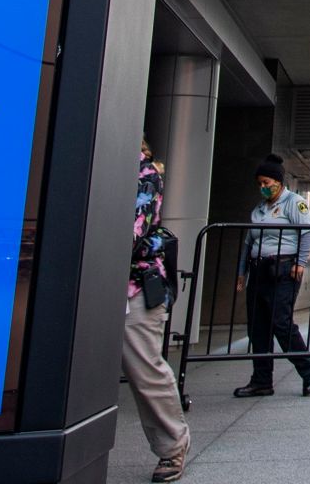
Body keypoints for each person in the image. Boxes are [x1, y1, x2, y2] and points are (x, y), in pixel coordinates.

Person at [124, 137, 189, 482]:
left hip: (134, 285)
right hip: (92, 282)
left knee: (144, 370)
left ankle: (172, 447)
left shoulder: (144, 173)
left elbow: (132, 233)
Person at [233, 154, 310, 397]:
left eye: (266, 183)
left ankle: (308, 369)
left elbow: (307, 232)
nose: (262, 187)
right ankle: (262, 380)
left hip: (283, 269)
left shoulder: (295, 203)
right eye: (259, 183)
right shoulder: (259, 209)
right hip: (259, 270)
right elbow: (249, 242)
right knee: (257, 327)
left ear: (279, 182)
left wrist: (300, 263)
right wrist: (242, 272)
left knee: (280, 322)